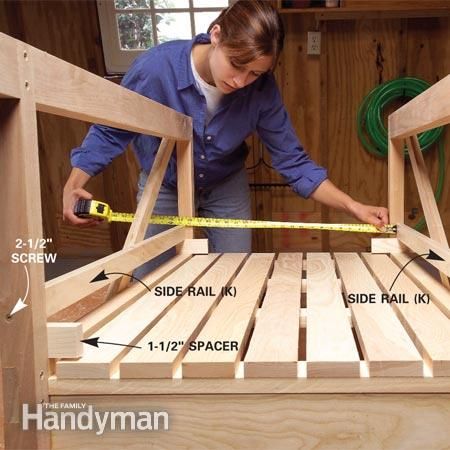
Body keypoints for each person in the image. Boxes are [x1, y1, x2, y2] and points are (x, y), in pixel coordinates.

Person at [63, 0, 389, 277]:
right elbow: (110, 131)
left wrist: (354, 206)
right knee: (149, 277)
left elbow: (294, 162)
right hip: (164, 183)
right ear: (216, 35)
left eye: (256, 74)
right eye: (237, 65)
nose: (242, 81)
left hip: (225, 184)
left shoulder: (262, 90)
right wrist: (74, 181)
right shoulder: (155, 69)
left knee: (238, 277)